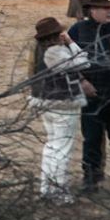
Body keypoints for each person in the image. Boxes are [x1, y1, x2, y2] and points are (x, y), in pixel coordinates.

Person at [68, 0, 110, 193]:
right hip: (91, 95)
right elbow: (66, 62)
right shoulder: (78, 30)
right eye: (106, 8)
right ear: (92, 10)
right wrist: (82, 82)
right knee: (92, 139)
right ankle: (91, 180)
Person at [28, 17, 89, 199]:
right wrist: (71, 43)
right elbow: (83, 62)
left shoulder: (40, 50)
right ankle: (59, 191)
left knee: (52, 146)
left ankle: (47, 188)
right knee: (62, 149)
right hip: (62, 103)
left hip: (45, 102)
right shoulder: (55, 52)